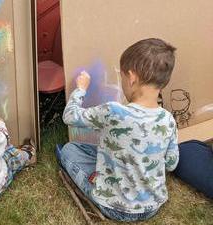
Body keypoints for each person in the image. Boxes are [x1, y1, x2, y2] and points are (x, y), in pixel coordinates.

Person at [57, 38, 179, 221]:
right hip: (153, 205)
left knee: (69, 150)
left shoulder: (113, 111)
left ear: (131, 77)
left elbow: (69, 116)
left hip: (114, 207)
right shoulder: (168, 120)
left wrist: (81, 89)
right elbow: (171, 163)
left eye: (121, 77)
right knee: (100, 151)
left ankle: (96, 183)